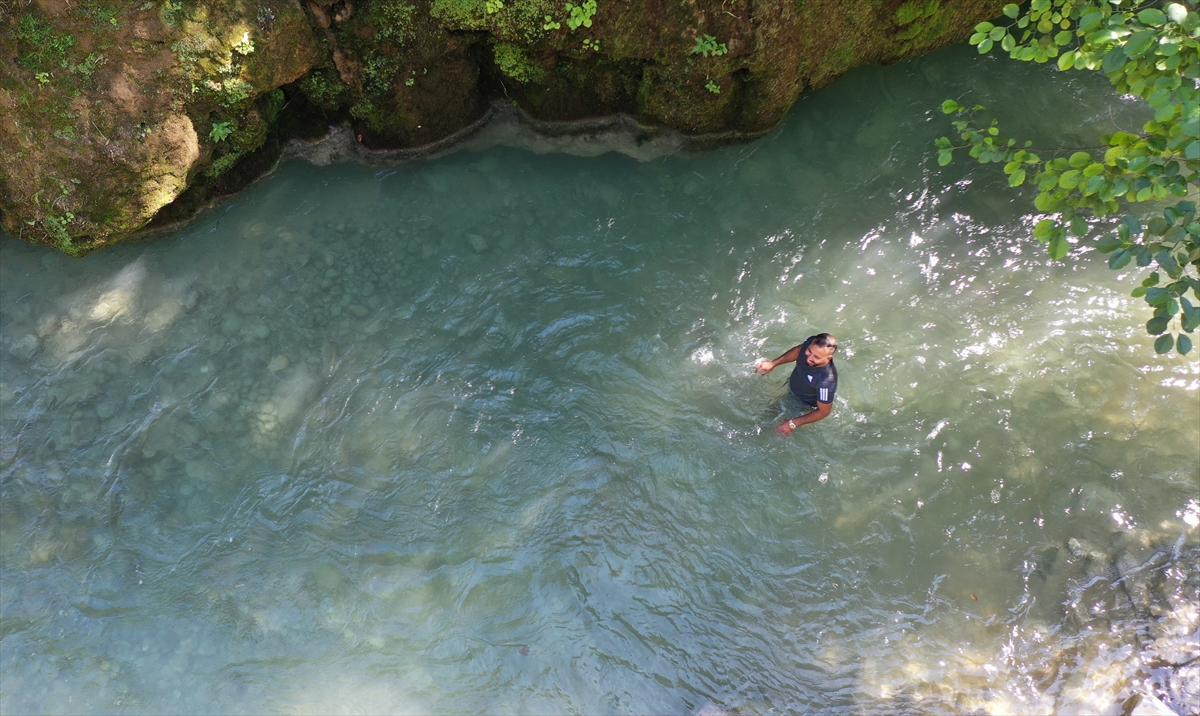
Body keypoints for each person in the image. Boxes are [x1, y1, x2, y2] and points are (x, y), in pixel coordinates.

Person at [755, 333, 838, 436]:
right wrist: (773, 363)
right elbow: (799, 350)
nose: (809, 358)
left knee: (767, 423)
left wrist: (793, 423)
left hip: (800, 402)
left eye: (816, 357)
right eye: (809, 351)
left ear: (828, 358)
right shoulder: (812, 342)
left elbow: (824, 411)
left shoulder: (826, 381)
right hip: (794, 384)